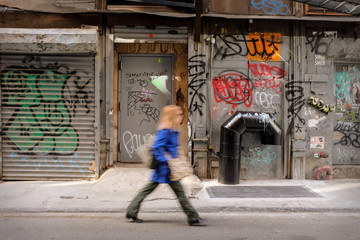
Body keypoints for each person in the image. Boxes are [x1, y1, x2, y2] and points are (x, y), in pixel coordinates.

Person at [126, 105, 204, 226]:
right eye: (179, 114)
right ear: (173, 116)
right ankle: (193, 217)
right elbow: (157, 147)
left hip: (166, 167)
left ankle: (131, 211)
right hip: (165, 168)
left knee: (148, 190)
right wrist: (167, 162)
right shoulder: (166, 130)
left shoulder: (172, 129)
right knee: (179, 193)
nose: (181, 116)